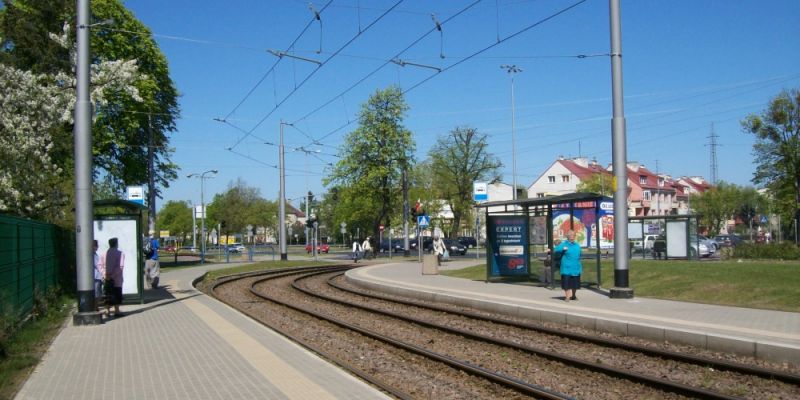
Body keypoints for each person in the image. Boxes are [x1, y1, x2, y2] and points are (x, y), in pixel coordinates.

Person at [557, 230, 582, 302]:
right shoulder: (564, 244)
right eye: (570, 235)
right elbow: (556, 250)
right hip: (566, 268)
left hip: (575, 268)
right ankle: (567, 297)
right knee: (566, 283)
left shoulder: (577, 245)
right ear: (567, 236)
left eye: (573, 235)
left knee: (575, 284)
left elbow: (579, 254)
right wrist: (563, 249)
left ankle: (573, 296)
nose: (572, 237)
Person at [104, 237, 125, 317]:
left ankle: (107, 310)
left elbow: (100, 265)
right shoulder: (120, 253)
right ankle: (117, 310)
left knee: (108, 293)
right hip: (117, 278)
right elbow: (120, 267)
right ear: (116, 244)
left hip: (107, 277)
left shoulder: (105, 253)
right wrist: (113, 275)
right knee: (117, 293)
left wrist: (105, 275)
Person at [93, 240, 105, 310]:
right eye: (96, 245)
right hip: (96, 276)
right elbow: (98, 265)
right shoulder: (93, 255)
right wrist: (103, 274)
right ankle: (95, 307)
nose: (97, 247)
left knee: (98, 293)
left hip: (97, 276)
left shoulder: (95, 254)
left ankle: (96, 306)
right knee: (97, 293)